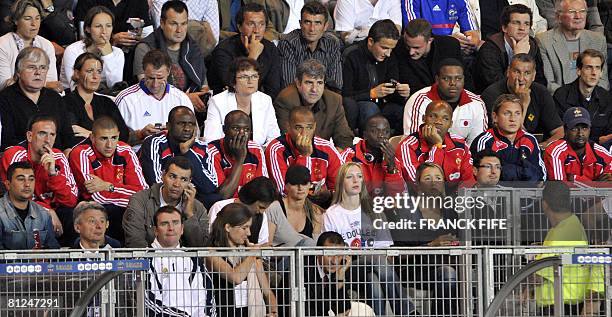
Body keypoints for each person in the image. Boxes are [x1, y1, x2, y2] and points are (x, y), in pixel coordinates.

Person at [324, 162, 415, 316]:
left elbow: (386, 252)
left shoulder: (373, 210)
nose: (356, 180)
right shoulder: (332, 214)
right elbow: (332, 255)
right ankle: (407, 311)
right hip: (346, 267)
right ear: (341, 182)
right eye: (350, 177)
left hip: (374, 266)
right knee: (377, 260)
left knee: (374, 282)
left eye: (359, 177)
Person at [0, 114, 78, 245]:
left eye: (52, 135)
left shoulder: (58, 156)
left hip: (53, 211)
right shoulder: (15, 154)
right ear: (29, 136)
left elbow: (71, 200)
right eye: (42, 134)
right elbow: (17, 195)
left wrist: (53, 174)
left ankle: (72, 263)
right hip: (22, 209)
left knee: (74, 215)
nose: (48, 140)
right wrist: (47, 211)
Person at [69, 116, 148, 243]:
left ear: (118, 136)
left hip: (124, 209)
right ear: (92, 138)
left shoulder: (126, 151)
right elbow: (97, 197)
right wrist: (133, 199)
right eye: (103, 138)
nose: (109, 145)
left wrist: (108, 186)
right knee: (115, 212)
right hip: (94, 211)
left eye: (114, 138)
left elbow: (143, 193)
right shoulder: (81, 153)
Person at [530, 180, 604, 315]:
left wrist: (517, 286)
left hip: (560, 305)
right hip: (561, 303)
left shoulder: (564, 231)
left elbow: (539, 275)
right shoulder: (568, 225)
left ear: (544, 204)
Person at [134, 0, 210, 116]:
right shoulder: (146, 48)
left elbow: (204, 86)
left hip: (191, 113)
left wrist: (202, 97)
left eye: (184, 24)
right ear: (162, 23)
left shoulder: (193, 47)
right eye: (173, 24)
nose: (179, 30)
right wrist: (185, 99)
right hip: (156, 112)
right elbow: (148, 88)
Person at [139, 106, 221, 209]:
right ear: (168, 126)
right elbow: (155, 182)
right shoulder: (155, 143)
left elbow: (210, 186)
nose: (187, 129)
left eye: (191, 124)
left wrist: (186, 151)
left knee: (215, 199)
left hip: (190, 195)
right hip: (162, 198)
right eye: (181, 124)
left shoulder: (201, 146)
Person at [206, 202, 278, 317]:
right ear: (228, 227)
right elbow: (236, 277)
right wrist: (253, 253)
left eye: (249, 228)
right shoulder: (211, 252)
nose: (248, 233)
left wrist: (273, 312)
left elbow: (267, 291)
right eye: (244, 228)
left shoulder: (250, 254)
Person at [145, 205, 217, 317]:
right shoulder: (145, 260)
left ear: (182, 229)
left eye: (175, 223)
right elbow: (148, 301)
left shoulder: (193, 259)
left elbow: (206, 297)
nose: (171, 228)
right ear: (155, 231)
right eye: (164, 224)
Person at [0, 47, 76, 151]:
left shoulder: (55, 98)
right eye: (31, 67)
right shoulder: (5, 99)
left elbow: (68, 136)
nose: (38, 72)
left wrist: (68, 151)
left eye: (43, 68)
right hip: (23, 160)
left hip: (57, 158)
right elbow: (8, 140)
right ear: (18, 72)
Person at [342, 19, 410, 134]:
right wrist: (371, 94)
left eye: (391, 49)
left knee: (404, 110)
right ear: (370, 41)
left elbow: (391, 94)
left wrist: (402, 94)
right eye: (384, 48)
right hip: (359, 105)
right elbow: (345, 95)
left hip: (383, 104)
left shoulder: (390, 57)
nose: (388, 54)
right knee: (370, 108)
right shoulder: (352, 55)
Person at [123, 156, 209, 248]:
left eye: (183, 179)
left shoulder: (197, 207)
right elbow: (135, 241)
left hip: (185, 261)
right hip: (148, 259)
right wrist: (154, 260)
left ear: (190, 182)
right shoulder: (140, 200)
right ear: (163, 175)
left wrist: (189, 215)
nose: (177, 184)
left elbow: (202, 248)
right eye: (172, 177)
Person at [481, 53, 564, 148]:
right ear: (508, 72)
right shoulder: (492, 95)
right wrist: (523, 104)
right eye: (516, 72)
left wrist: (541, 147)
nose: (521, 78)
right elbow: (510, 138)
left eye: (527, 73)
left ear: (534, 76)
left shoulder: (541, 92)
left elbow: (559, 132)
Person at [115, 49, 193, 147]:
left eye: (160, 78)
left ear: (168, 71)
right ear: (144, 72)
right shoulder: (125, 99)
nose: (155, 84)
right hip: (138, 156)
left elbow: (194, 134)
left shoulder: (181, 98)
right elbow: (113, 140)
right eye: (151, 78)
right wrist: (140, 134)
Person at [404, 58, 487, 146]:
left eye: (458, 78)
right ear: (437, 79)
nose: (453, 83)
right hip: (425, 156)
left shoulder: (476, 104)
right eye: (446, 78)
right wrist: (438, 148)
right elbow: (413, 143)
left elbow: (478, 145)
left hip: (462, 157)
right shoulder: (419, 100)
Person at [275, 59, 354, 149]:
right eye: (309, 83)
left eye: (319, 83)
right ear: (298, 83)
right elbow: (287, 141)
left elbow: (344, 138)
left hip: (324, 156)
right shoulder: (286, 100)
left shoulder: (334, 100)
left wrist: (335, 155)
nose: (314, 89)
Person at [209, 3, 281, 99]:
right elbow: (234, 87)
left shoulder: (270, 49)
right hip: (228, 104)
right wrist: (252, 57)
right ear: (239, 27)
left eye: (261, 24)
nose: (257, 30)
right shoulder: (223, 51)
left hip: (260, 104)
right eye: (251, 24)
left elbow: (273, 89)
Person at [265, 107, 343, 196]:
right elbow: (283, 192)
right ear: (288, 127)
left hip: (324, 203)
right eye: (298, 128)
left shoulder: (326, 147)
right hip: (290, 205)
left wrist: (328, 195)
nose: (304, 133)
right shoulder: (276, 149)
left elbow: (340, 185)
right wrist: (304, 156)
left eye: (309, 127)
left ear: (314, 127)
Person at [537, 0, 609, 94]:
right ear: (558, 17)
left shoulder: (598, 40)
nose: (578, 16)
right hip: (560, 101)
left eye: (582, 11)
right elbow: (549, 84)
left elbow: (603, 81)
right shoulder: (544, 41)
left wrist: (588, 98)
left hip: (593, 100)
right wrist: (573, 99)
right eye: (572, 12)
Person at [204, 57, 280, 146]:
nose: (250, 81)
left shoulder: (265, 100)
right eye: (244, 77)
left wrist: (259, 153)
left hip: (259, 154)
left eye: (254, 76)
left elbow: (274, 137)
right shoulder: (217, 102)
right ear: (233, 81)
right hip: (226, 155)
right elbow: (211, 140)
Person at [471, 94, 546, 182]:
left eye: (517, 113)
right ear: (495, 117)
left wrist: (508, 172)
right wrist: (523, 172)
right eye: (507, 113)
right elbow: (483, 177)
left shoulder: (530, 140)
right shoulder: (484, 140)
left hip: (527, 193)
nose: (513, 119)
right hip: (493, 194)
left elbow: (541, 176)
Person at [474, 4, 547, 93]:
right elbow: (495, 86)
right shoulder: (490, 49)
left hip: (527, 95)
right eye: (516, 23)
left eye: (526, 24)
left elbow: (540, 81)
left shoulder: (532, 45)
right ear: (504, 28)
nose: (522, 28)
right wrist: (518, 57)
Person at [397, 100, 475, 184]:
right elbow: (420, 185)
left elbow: (469, 181)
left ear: (450, 124)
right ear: (424, 118)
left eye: (445, 119)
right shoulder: (408, 146)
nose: (439, 122)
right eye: (433, 116)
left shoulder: (461, 145)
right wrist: (437, 146)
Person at [304, 231, 376, 316]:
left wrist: (340, 278)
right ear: (317, 253)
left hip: (326, 311)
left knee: (364, 310)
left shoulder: (340, 268)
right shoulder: (304, 269)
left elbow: (344, 310)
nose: (334, 261)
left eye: (339, 255)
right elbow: (312, 310)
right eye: (330, 255)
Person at [63, 53, 130, 143]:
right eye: (90, 71)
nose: (95, 77)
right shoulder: (65, 102)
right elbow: (72, 137)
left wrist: (90, 134)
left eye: (99, 71)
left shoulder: (107, 103)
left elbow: (123, 135)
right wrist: (109, 138)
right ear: (77, 73)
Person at [278, 2, 343, 90]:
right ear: (300, 24)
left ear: (325, 26)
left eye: (317, 23)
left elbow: (336, 84)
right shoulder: (288, 43)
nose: (312, 29)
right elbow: (289, 84)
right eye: (307, 22)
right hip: (296, 97)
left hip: (324, 96)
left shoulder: (332, 43)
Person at [553, 49, 612, 145]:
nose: (594, 73)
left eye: (597, 68)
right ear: (579, 71)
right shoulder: (562, 95)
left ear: (601, 72)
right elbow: (561, 134)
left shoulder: (606, 97)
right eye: (589, 68)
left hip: (600, 152)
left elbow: (609, 135)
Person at [392, 18, 463, 96]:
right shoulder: (398, 48)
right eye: (408, 46)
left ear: (430, 40)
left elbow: (464, 80)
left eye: (416, 48)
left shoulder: (449, 46)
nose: (411, 52)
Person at [60, 6, 124, 91]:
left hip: (105, 98)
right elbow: (75, 87)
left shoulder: (118, 53)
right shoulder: (73, 50)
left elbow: (116, 87)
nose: (104, 31)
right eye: (98, 26)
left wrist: (108, 56)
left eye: (108, 26)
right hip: (73, 97)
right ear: (88, 29)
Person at [0, 0, 59, 91]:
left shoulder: (46, 45)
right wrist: (44, 84)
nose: (34, 24)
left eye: (37, 18)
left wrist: (21, 83)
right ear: (16, 20)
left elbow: (53, 84)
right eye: (28, 18)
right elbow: (5, 86)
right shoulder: (2, 44)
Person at [207, 110, 268, 199]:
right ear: (224, 130)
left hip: (250, 205)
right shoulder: (212, 151)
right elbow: (222, 196)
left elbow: (262, 188)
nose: (242, 134)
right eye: (236, 128)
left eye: (246, 129)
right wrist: (240, 160)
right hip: (225, 207)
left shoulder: (255, 149)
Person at [0, 161, 60, 249]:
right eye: (21, 179)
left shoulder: (44, 214)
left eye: (31, 179)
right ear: (8, 185)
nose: (27, 184)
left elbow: (53, 249)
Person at [341, 114, 405, 197]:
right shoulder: (349, 156)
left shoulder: (392, 158)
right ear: (365, 135)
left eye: (386, 131)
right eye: (375, 131)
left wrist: (391, 167)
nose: (381, 135)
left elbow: (397, 195)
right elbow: (343, 191)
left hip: (382, 207)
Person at [544, 107, 612, 182]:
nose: (580, 134)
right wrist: (597, 185)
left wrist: (576, 179)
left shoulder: (601, 153)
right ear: (565, 130)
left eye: (584, 128)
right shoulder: (555, 151)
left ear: (590, 130)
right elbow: (559, 189)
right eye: (574, 129)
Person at [207, 176, 276, 245]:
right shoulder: (219, 207)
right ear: (250, 198)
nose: (262, 212)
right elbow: (212, 240)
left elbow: (262, 245)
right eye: (260, 207)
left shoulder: (261, 216)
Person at [402, 0, 480, 56]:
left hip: (450, 52)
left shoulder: (461, 1)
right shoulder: (410, 1)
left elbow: (473, 33)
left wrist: (468, 44)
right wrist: (449, 42)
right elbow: (414, 35)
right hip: (423, 53)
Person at [276, 165, 324, 241]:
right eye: (295, 183)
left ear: (309, 185)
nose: (300, 188)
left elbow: (316, 247)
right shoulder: (276, 208)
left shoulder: (315, 212)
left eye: (304, 183)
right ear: (286, 186)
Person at [466, 0, 548, 39]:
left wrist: (536, 40)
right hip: (482, 47)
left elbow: (539, 21)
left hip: (523, 44)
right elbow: (455, 24)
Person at [334, 0, 402, 44]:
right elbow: (346, 35)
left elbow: (397, 30)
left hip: (387, 47)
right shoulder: (346, 1)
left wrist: (363, 32)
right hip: (357, 48)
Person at [150, 0, 220, 43]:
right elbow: (163, 33)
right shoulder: (159, 1)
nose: (179, 30)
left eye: (184, 23)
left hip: (200, 54)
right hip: (166, 52)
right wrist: (199, 28)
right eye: (174, 23)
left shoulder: (209, 1)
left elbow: (212, 40)